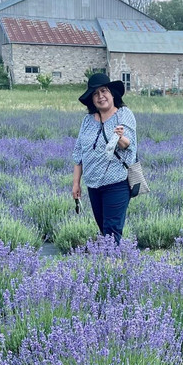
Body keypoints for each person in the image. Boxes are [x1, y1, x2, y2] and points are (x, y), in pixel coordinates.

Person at [71, 72, 137, 244]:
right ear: (91, 99)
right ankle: (111, 263)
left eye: (104, 91)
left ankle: (112, 267)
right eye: (95, 93)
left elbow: (128, 144)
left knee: (111, 231)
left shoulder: (123, 114)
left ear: (112, 93)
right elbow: (79, 153)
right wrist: (76, 183)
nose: (101, 96)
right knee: (103, 229)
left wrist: (120, 137)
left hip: (117, 182)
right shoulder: (87, 121)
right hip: (93, 184)